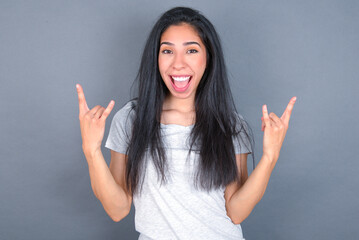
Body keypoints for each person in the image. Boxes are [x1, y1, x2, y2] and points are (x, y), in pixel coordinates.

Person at [76, 6, 296, 240]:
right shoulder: (131, 119)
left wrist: (270, 157)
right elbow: (117, 209)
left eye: (191, 50)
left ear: (208, 58)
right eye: (167, 51)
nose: (178, 64)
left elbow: (236, 212)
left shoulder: (229, 124)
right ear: (156, 58)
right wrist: (91, 151)